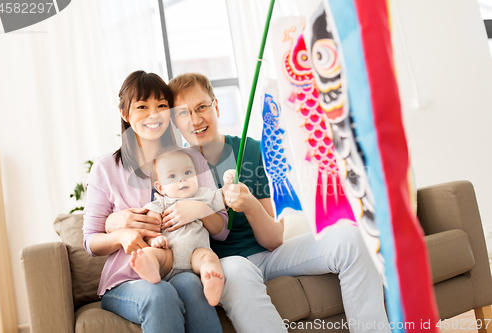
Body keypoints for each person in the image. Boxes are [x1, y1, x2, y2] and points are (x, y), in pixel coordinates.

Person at [106, 72, 391, 333]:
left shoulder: (250, 149)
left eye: (202, 107)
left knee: (351, 238)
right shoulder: (175, 167)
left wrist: (250, 204)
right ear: (175, 120)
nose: (195, 120)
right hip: (223, 261)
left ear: (216, 107)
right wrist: (115, 222)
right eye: (183, 113)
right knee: (237, 273)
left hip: (269, 255)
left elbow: (273, 240)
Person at [82, 70, 226, 333]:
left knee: (193, 287)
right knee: (159, 294)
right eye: (142, 106)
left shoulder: (192, 160)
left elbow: (222, 230)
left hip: (182, 268)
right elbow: (90, 241)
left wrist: (200, 209)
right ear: (125, 114)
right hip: (126, 280)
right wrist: (121, 235)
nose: (153, 113)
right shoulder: (105, 169)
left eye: (161, 105)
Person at [130, 148, 234, 307]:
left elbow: (225, 197)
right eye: (172, 176)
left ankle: (211, 278)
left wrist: (230, 183)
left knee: (209, 257)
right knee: (150, 252)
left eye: (188, 173)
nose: (182, 180)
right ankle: (150, 269)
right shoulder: (160, 203)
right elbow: (150, 228)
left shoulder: (204, 195)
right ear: (160, 187)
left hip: (196, 255)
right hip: (168, 256)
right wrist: (155, 240)